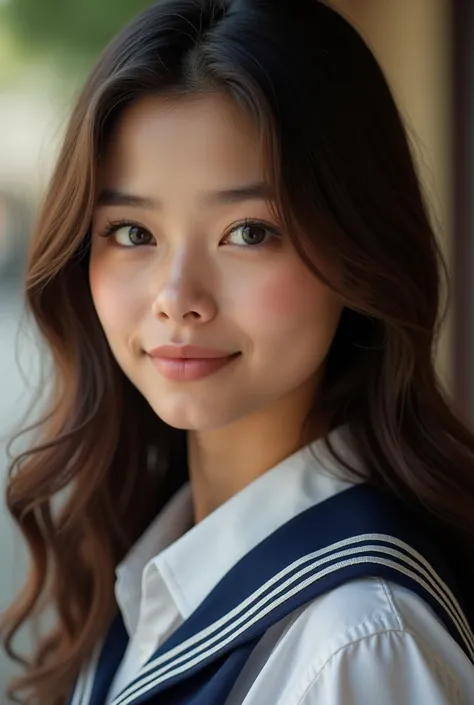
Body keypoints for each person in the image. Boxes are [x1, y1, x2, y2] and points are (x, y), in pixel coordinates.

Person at [2, 0, 474, 703]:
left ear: (356, 251)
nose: (177, 296)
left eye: (249, 232)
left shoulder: (358, 643)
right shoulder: (148, 559)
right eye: (132, 232)